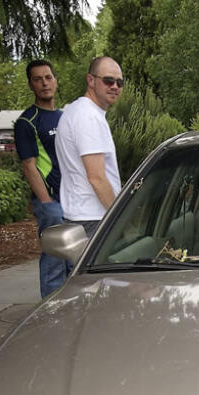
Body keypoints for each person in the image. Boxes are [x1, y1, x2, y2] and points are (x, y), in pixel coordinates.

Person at [14, 59, 69, 297]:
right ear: (31, 85)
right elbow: (29, 166)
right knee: (55, 259)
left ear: (56, 80)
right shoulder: (27, 122)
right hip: (52, 202)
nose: (44, 83)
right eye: (38, 79)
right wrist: (47, 204)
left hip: (73, 200)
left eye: (48, 77)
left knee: (76, 258)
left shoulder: (65, 117)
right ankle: (52, 312)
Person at [54, 56, 124, 239]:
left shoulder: (75, 111)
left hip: (83, 216)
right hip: (93, 218)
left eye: (119, 82)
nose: (115, 86)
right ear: (90, 80)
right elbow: (97, 178)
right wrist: (119, 216)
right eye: (108, 80)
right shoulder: (88, 117)